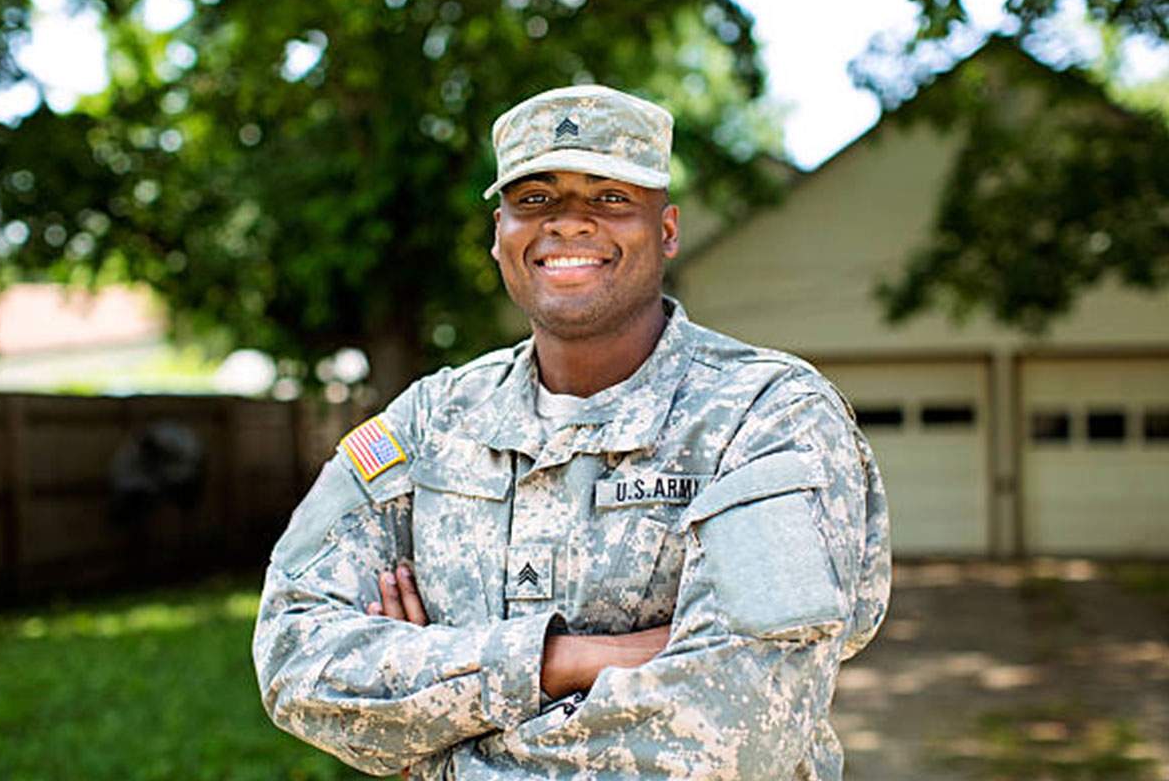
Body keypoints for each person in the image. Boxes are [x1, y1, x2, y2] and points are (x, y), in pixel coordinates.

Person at [253, 85, 890, 779]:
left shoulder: (766, 414)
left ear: (668, 230)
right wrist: (558, 660)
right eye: (535, 199)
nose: (569, 224)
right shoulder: (431, 421)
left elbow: (739, 719)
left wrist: (436, 730)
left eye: (611, 198)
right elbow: (295, 656)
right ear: (499, 234)